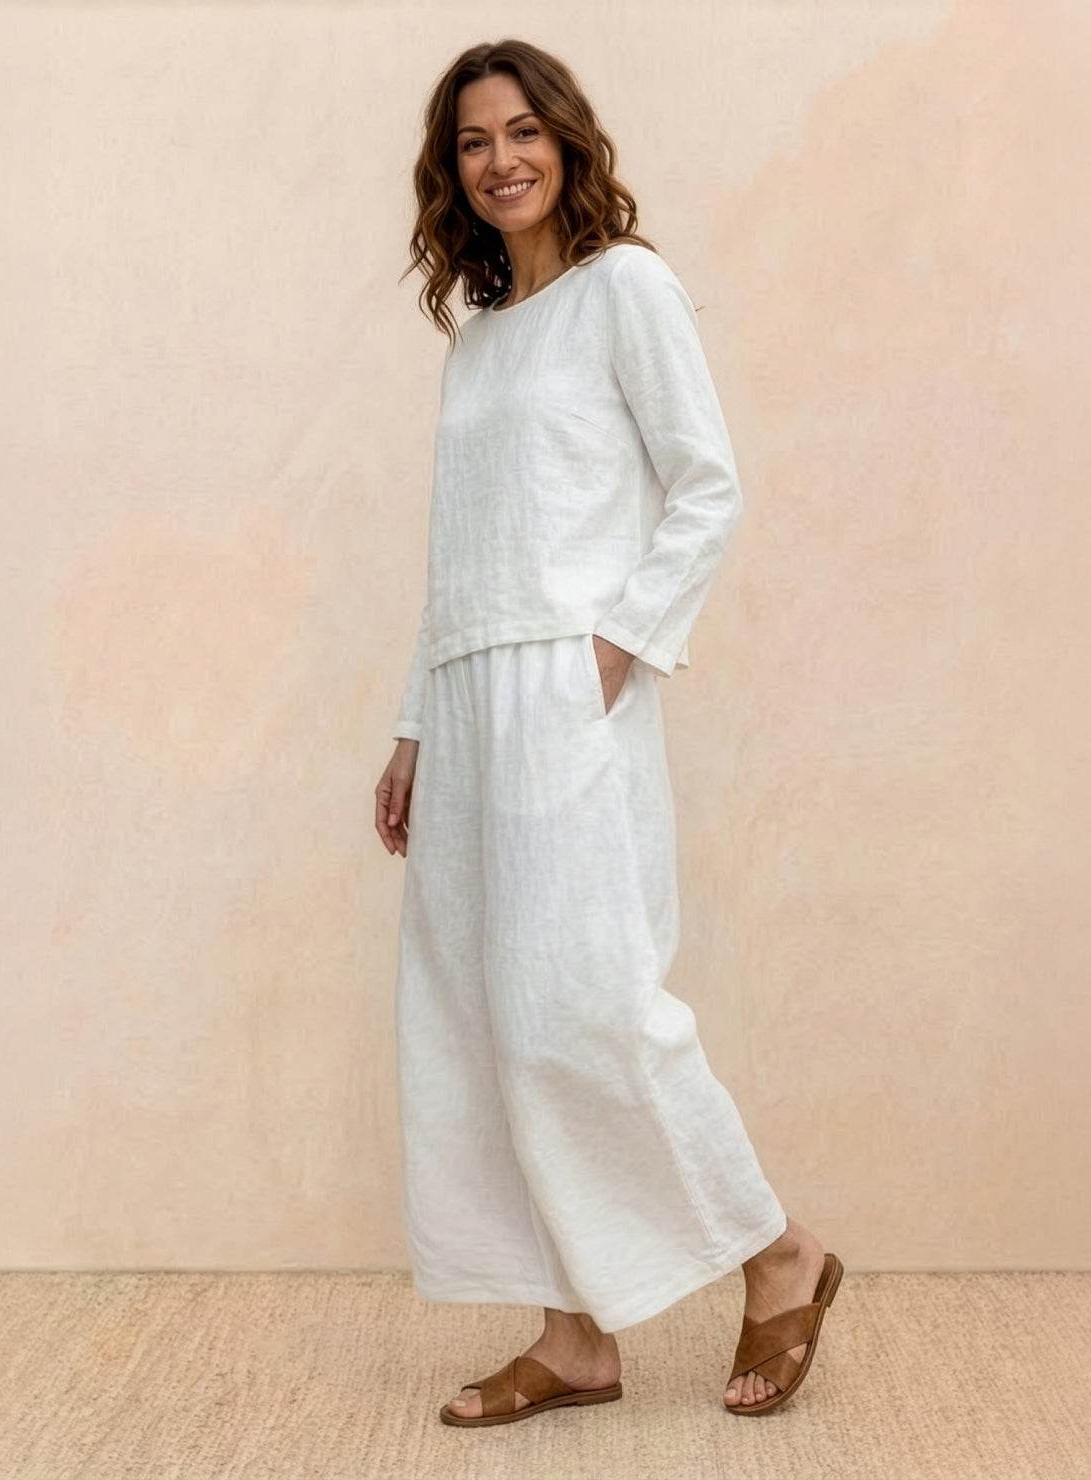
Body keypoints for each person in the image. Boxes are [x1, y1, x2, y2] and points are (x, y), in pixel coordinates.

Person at [374, 38, 843, 1426]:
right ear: (451, 171)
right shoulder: (477, 341)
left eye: (523, 131)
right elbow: (458, 552)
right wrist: (414, 726)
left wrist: (617, 647)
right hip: (468, 701)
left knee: (585, 1005)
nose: (501, 159)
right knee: (485, 1020)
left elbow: (707, 484)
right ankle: (572, 1337)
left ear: (568, 141)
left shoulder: (625, 288)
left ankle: (779, 1252)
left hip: (566, 691)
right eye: (474, 141)